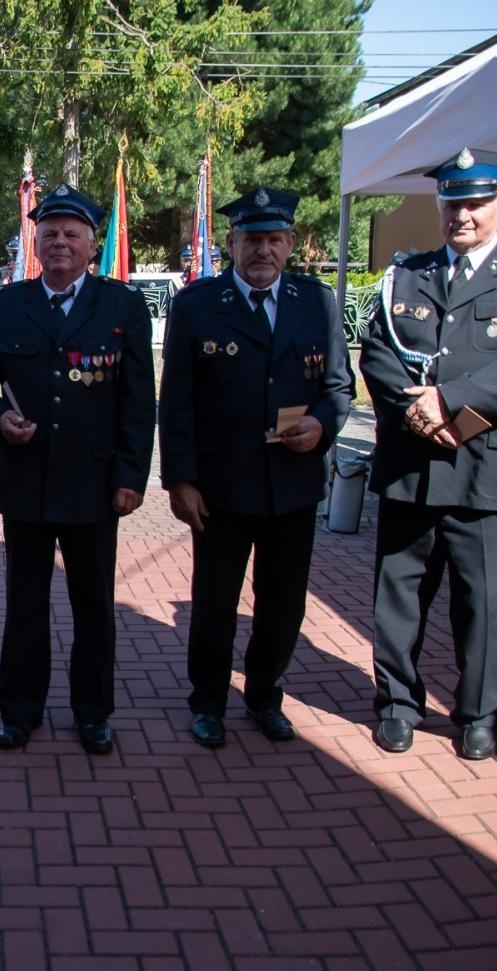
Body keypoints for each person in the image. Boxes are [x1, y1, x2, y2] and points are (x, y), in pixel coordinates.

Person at [359, 149, 497, 761]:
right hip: (413, 467)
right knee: (398, 597)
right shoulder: (406, 274)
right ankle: (397, 704)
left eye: (477, 203)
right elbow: (378, 353)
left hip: (489, 470)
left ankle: (479, 713)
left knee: (486, 603)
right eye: (453, 202)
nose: (464, 215)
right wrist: (416, 410)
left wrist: (451, 399)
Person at [0, 184, 155, 755]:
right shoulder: (6, 304)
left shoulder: (122, 306)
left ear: (92, 244)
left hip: (95, 482)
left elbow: (139, 401)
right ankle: (20, 712)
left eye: (72, 234)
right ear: (36, 242)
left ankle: (93, 712)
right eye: (50, 234)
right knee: (24, 602)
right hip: (27, 477)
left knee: (94, 604)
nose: (61, 242)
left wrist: (130, 476)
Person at [159, 187, 354, 748]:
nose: (262, 251)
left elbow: (338, 387)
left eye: (274, 240)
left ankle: (266, 693)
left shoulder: (317, 301)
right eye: (252, 240)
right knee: (215, 600)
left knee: (284, 600)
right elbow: (176, 403)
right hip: (222, 487)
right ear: (232, 244)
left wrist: (322, 423)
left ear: (290, 244)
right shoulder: (197, 304)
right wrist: (179, 480)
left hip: (292, 487)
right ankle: (208, 703)